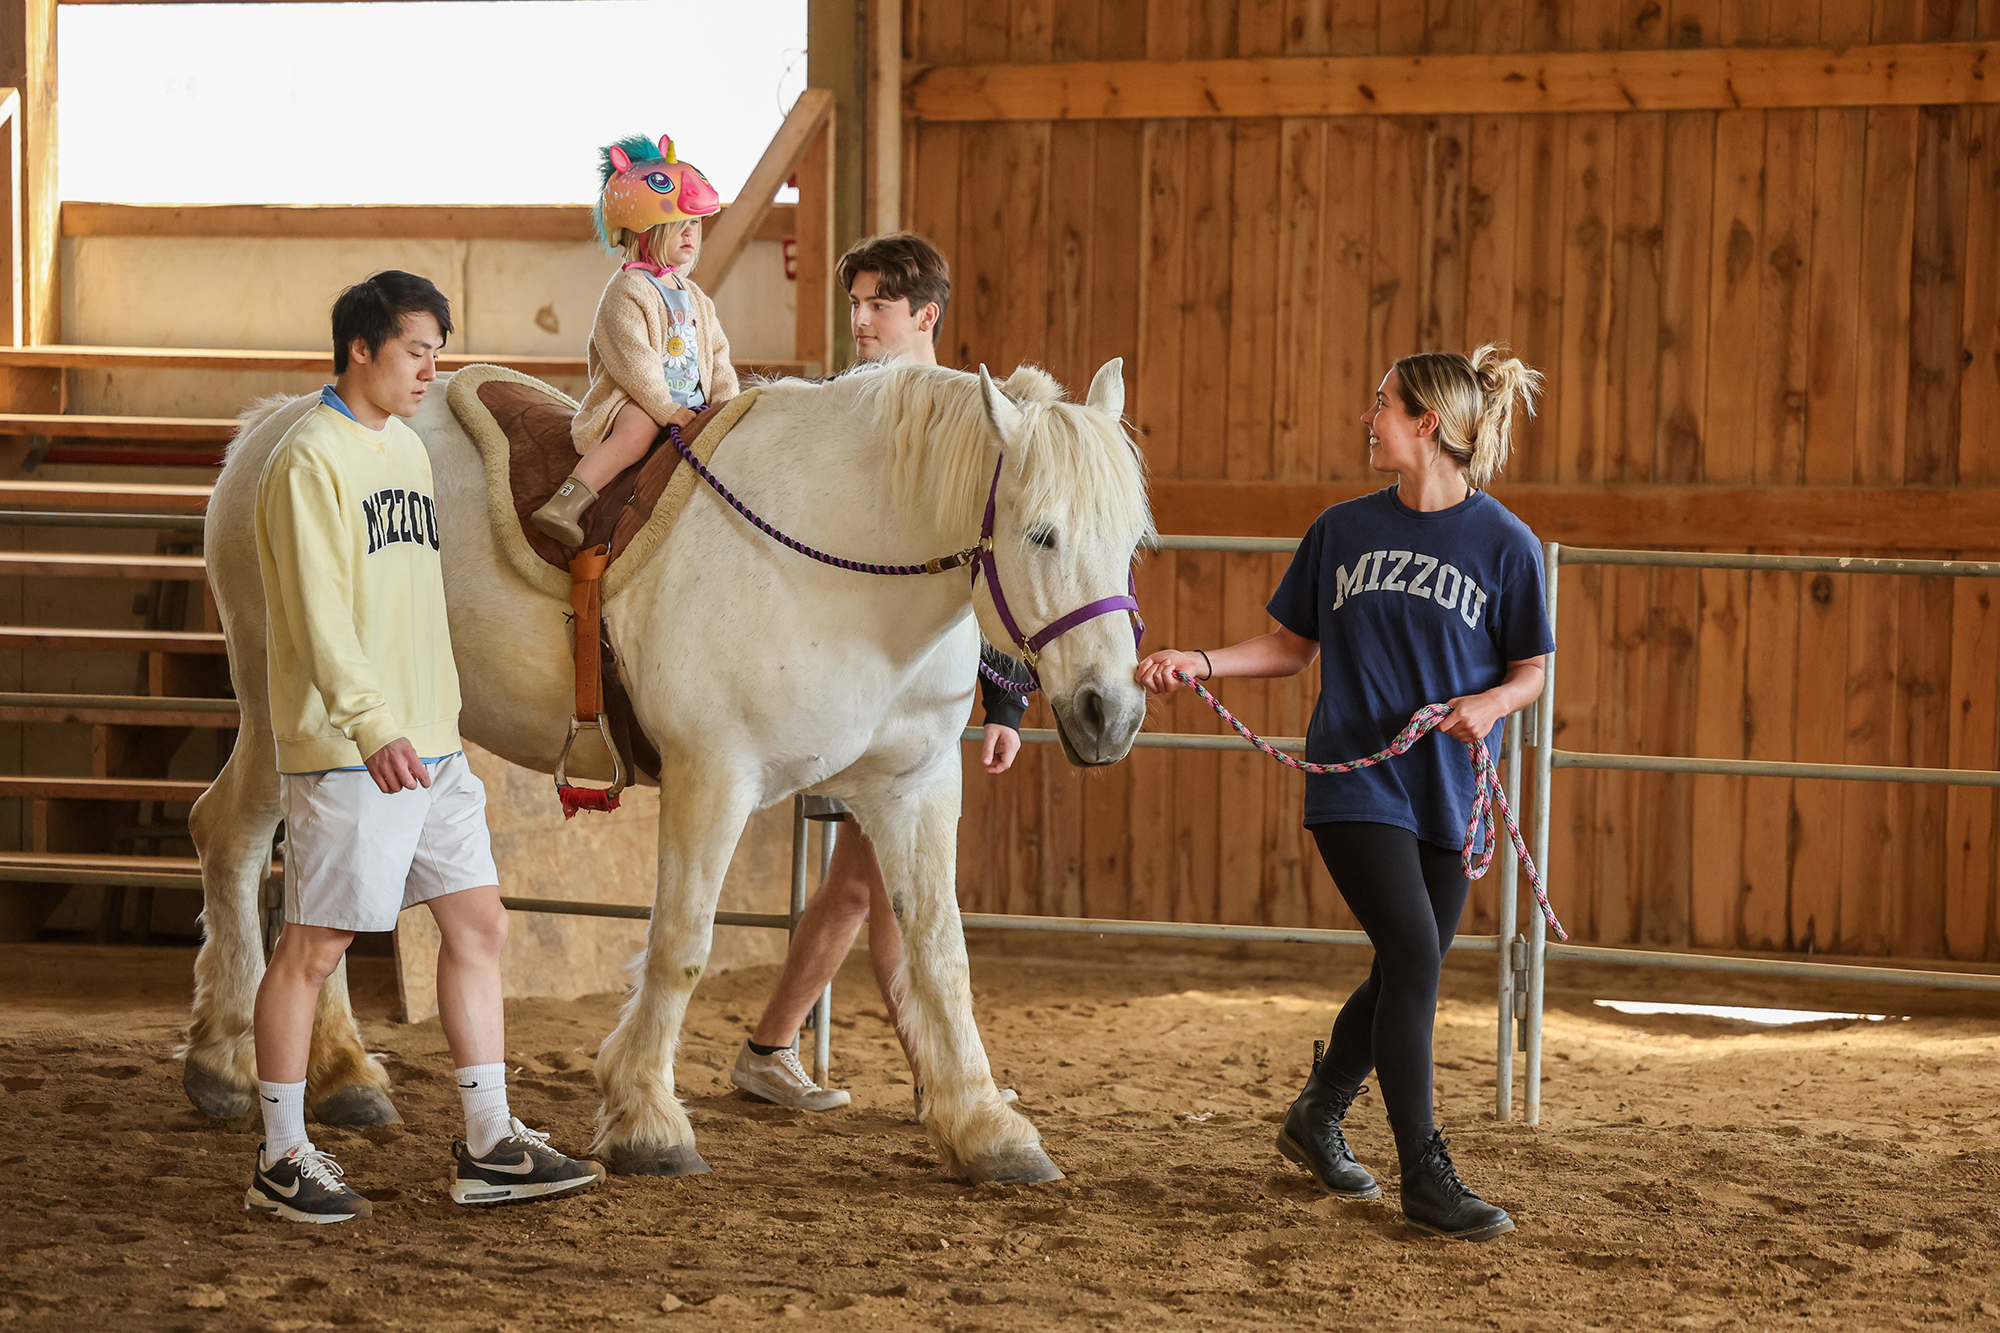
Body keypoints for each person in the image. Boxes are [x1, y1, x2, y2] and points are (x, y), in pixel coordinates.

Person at [1136, 345, 1553, 1243]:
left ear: (1425, 425)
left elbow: (1531, 671)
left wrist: (1488, 703)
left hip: (1444, 787)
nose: (1368, 418)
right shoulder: (1341, 529)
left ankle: (1318, 1111)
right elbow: (1291, 647)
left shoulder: (1507, 545)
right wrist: (1197, 660)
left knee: (1410, 965)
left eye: (1381, 405)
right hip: (1357, 780)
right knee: (1413, 950)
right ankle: (1424, 1170)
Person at [245, 271, 603, 1224]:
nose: (430, 371)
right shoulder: (307, 460)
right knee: (314, 948)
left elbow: (416, 603)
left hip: (431, 741)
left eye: (437, 351)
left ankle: (489, 1141)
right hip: (349, 747)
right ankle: (281, 1154)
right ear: (361, 347)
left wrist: (439, 722)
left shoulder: (404, 447)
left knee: (479, 923)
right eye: (416, 351)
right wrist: (373, 725)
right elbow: (318, 616)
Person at [727, 233, 1031, 1114]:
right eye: (853, 303)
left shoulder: (982, 417)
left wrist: (1004, 698)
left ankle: (779, 1049)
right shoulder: (838, 410)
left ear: (925, 314)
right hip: (847, 687)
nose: (858, 320)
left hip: (923, 699)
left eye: (876, 306)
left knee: (866, 884)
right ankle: (938, 1075)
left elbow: (1001, 569)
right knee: (876, 883)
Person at [531, 133, 738, 546]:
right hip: (638, 399)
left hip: (693, 403)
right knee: (636, 435)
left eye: (694, 224)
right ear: (640, 231)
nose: (689, 234)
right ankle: (566, 502)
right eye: (674, 225)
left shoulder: (696, 297)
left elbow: (718, 354)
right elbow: (633, 360)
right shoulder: (627, 291)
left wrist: (727, 406)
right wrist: (663, 407)